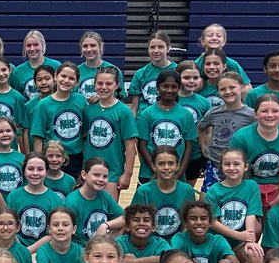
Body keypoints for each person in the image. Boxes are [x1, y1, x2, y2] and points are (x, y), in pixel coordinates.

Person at [231, 93, 279, 211]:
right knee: (255, 229)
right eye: (264, 111)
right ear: (255, 114)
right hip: (249, 187)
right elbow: (233, 172)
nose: (270, 115)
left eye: (275, 111)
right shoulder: (241, 137)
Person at [82, 66, 137, 199]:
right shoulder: (89, 109)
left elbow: (131, 145)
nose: (104, 87)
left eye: (109, 83)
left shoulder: (124, 112)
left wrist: (127, 174)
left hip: (112, 172)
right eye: (100, 83)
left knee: (108, 213)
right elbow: (83, 135)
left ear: (117, 85)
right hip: (89, 169)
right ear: (94, 84)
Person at [196, 72, 255, 192]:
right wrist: (204, 148)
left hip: (238, 167)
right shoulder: (213, 113)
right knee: (207, 200)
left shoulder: (251, 115)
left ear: (242, 87)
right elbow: (199, 128)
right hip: (216, 164)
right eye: (223, 89)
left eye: (232, 87)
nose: (228, 92)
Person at [136, 70, 197, 183]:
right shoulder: (147, 113)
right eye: (165, 86)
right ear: (158, 87)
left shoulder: (186, 115)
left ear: (179, 88)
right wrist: (154, 168)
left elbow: (189, 146)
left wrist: (179, 173)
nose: (169, 90)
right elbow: (142, 145)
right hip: (149, 173)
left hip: (176, 173)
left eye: (174, 87)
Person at [132, 146, 198, 241]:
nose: (166, 168)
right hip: (151, 244)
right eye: (161, 164)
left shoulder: (187, 190)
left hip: (177, 244)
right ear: (154, 166)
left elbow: (187, 224)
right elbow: (134, 221)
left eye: (171, 163)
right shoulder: (143, 191)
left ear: (177, 166)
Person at [6, 153, 62, 250]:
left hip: (45, 249)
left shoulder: (55, 199)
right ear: (24, 171)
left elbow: (53, 234)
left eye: (40, 169)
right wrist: (21, 250)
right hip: (16, 246)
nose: (35, 173)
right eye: (30, 169)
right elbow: (9, 226)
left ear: (46, 172)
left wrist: (30, 250)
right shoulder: (14, 196)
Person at [62, 157, 125, 244]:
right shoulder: (72, 202)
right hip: (81, 248)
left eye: (105, 176)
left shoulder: (104, 195)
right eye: (96, 175)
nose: (101, 180)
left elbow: (125, 217)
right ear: (84, 175)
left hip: (100, 246)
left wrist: (105, 225)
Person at [244, 50, 279, 125]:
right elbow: (247, 122)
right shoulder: (253, 95)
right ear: (265, 69)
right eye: (272, 66)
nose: (277, 70)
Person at [128, 31, 175, 112]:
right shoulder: (140, 73)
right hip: (143, 120)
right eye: (152, 47)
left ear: (168, 49)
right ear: (148, 49)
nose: (156, 51)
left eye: (160, 47)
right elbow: (134, 108)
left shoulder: (177, 71)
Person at [10, 30, 61, 101]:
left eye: (36, 45)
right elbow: (16, 98)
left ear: (42, 45)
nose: (32, 49)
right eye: (28, 45)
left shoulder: (55, 65)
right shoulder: (18, 71)